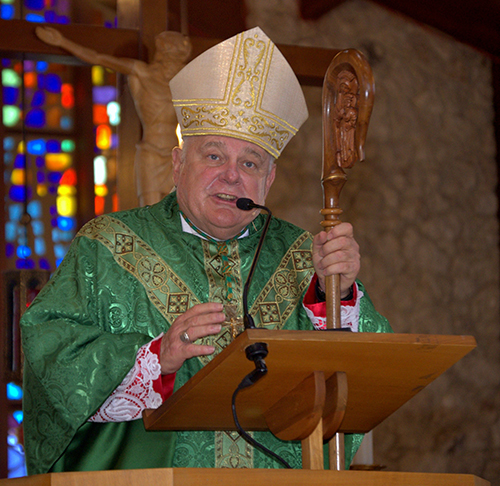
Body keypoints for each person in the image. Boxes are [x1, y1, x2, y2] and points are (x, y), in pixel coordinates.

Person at [21, 27, 392, 475]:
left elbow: (361, 381)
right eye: (214, 157)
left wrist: (340, 291)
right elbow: (50, 359)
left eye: (249, 163)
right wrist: (158, 358)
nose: (232, 177)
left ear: (268, 181)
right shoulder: (106, 244)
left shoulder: (301, 254)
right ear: (178, 165)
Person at [35, 26, 192, 206]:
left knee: (173, 213)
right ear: (164, 57)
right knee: (150, 214)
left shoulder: (180, 85)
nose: (178, 67)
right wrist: (62, 42)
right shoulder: (142, 72)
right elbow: (99, 58)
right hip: (151, 152)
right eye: (175, 61)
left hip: (174, 154)